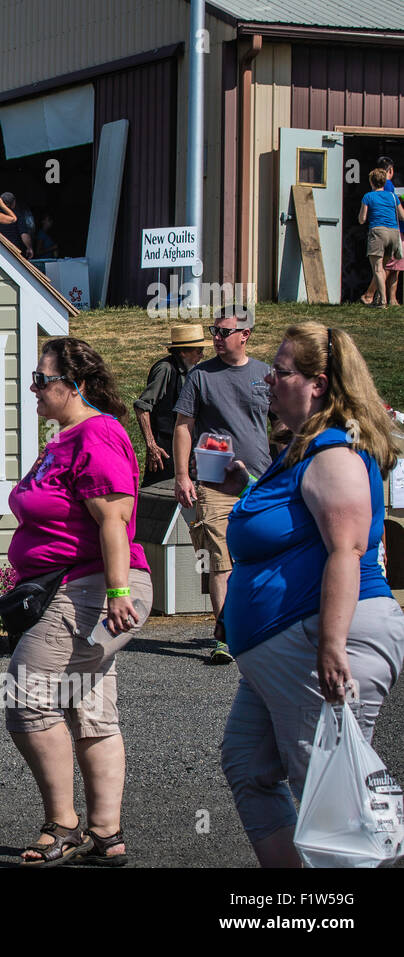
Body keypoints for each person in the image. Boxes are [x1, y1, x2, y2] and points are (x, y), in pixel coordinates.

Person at [218, 322, 404, 866]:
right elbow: (295, 524)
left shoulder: (332, 451)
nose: (269, 381)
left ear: (317, 383)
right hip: (284, 647)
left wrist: (331, 644)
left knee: (332, 787)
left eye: (281, 372)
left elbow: (346, 550)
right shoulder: (300, 450)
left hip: (317, 638)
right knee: (250, 765)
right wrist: (249, 489)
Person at [5, 337, 154, 867]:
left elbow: (114, 518)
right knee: (89, 707)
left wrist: (116, 592)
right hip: (73, 586)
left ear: (78, 385)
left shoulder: (98, 433)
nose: (34, 388)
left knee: (26, 696)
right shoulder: (63, 438)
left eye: (43, 380)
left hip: (95, 588)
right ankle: (107, 837)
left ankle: (63, 826)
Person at [172, 304, 272, 665]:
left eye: (223, 332)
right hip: (214, 483)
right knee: (220, 559)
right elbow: (184, 426)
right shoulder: (200, 376)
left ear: (244, 335)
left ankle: (261, 627)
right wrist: (183, 475)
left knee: (263, 554)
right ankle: (225, 635)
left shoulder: (265, 374)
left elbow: (283, 424)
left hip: (260, 481)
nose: (216, 337)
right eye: (214, 331)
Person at [133, 324, 208, 486]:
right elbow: (142, 406)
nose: (202, 355)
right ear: (182, 352)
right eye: (198, 350)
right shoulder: (165, 369)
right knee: (158, 492)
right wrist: (152, 445)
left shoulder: (194, 371)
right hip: (165, 449)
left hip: (188, 445)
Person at [357, 166, 404, 307]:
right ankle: (379, 298)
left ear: (371, 182)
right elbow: (402, 215)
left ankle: (382, 301)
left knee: (377, 268)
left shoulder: (368, 196)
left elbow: (362, 218)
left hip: (378, 232)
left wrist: (361, 217)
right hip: (394, 234)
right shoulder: (392, 196)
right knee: (384, 267)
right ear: (384, 182)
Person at [0, 192, 34, 259]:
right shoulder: (18, 216)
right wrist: (29, 248)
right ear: (13, 203)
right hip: (14, 251)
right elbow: (24, 235)